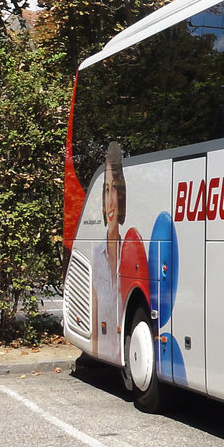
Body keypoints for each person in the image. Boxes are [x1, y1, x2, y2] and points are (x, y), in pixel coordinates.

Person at [92, 142, 125, 364]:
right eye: (105, 189)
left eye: (114, 188)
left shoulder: (133, 253)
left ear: (122, 195)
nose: (110, 198)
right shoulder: (96, 256)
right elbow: (94, 334)